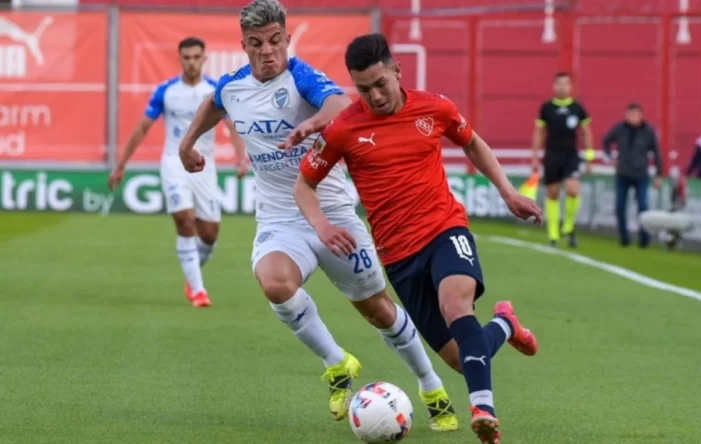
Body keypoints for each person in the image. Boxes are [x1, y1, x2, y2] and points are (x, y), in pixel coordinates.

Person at [178, 0, 459, 432]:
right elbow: (215, 104)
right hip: (280, 220)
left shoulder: (302, 78)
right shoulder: (233, 86)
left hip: (333, 213)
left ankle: (431, 386)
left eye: (275, 41)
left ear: (287, 39)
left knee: (378, 310)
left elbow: (338, 104)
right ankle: (337, 363)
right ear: (244, 46)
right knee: (274, 282)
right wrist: (188, 144)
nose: (267, 51)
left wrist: (310, 127)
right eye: (256, 44)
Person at [295, 33, 543, 444]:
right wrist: (322, 225)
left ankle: (483, 407)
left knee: (455, 303)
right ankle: (504, 324)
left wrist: (508, 192)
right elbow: (304, 185)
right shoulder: (343, 129)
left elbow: (473, 143)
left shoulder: (435, 107)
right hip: (398, 256)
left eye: (380, 84)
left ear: (397, 71)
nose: (374, 96)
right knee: (464, 358)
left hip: (445, 228)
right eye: (363, 88)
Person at [108, 37, 249, 308]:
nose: (192, 62)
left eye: (196, 57)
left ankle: (192, 276)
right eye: (187, 57)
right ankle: (198, 291)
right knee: (185, 221)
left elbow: (233, 127)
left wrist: (241, 159)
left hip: (204, 166)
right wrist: (121, 164)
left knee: (209, 235)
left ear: (204, 58)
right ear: (179, 59)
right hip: (173, 161)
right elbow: (142, 128)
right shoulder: (166, 91)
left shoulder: (215, 91)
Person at [532, 72, 595, 248]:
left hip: (571, 155)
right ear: (554, 86)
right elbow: (539, 132)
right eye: (559, 84)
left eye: (566, 84)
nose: (562, 87)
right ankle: (553, 234)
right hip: (552, 154)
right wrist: (535, 156)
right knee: (553, 193)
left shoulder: (577, 107)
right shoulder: (547, 107)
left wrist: (590, 156)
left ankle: (569, 225)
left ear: (570, 86)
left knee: (573, 189)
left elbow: (586, 131)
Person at [602, 103, 664, 248]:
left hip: (640, 174)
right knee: (619, 206)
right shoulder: (620, 128)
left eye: (635, 114)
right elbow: (606, 141)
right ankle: (624, 236)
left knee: (643, 206)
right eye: (630, 114)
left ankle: (644, 238)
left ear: (641, 115)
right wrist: (611, 157)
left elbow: (657, 153)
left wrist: (659, 174)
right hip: (623, 173)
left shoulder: (648, 131)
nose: (632, 118)